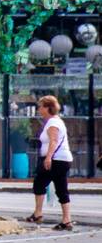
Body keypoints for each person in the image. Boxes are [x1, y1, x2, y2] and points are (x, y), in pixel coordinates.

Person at [26, 95, 74, 231]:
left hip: (56, 160)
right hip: (61, 159)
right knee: (56, 187)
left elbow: (53, 141)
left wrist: (48, 158)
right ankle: (64, 220)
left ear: (48, 108)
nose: (39, 109)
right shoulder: (56, 121)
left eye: (41, 106)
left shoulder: (53, 123)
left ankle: (41, 214)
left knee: (43, 184)